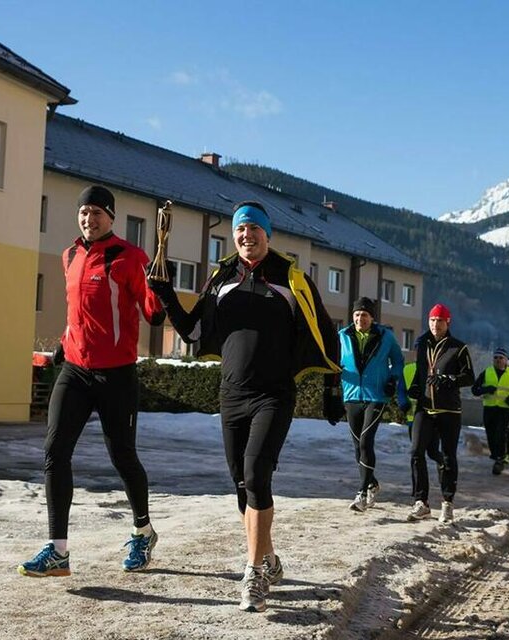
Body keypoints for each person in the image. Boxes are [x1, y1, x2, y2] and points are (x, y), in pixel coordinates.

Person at [147, 200, 340, 613]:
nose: (246, 235)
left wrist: (332, 390)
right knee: (241, 484)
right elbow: (194, 329)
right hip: (232, 395)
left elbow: (325, 335)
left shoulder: (291, 279)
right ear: (233, 236)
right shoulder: (221, 278)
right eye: (240, 230)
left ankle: (253, 573)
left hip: (274, 395)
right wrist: (165, 294)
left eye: (254, 229)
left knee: (256, 473)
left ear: (267, 234)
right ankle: (268, 557)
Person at [18, 185, 167, 578]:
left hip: (117, 374)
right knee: (54, 452)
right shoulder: (69, 255)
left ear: (111, 217)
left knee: (122, 455)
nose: (89, 218)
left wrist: (160, 286)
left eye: (97, 212)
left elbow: (152, 315)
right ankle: (58, 550)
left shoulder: (129, 257)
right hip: (76, 369)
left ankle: (142, 531)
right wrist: (65, 343)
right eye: (84, 212)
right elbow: (76, 310)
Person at [338, 296, 409, 512]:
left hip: (376, 396)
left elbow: (398, 361)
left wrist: (393, 379)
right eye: (357, 315)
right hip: (351, 396)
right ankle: (372, 483)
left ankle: (361, 492)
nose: (361, 318)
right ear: (352, 316)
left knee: (366, 441)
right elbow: (334, 363)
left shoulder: (385, 337)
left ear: (372, 317)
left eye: (365, 315)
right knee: (357, 446)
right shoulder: (342, 336)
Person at [406, 303, 475, 524]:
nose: (435, 325)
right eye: (432, 320)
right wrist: (415, 387)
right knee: (416, 451)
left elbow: (469, 377)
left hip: (449, 410)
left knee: (447, 456)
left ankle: (447, 503)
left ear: (448, 323)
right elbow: (420, 371)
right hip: (424, 408)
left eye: (440, 321)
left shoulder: (458, 348)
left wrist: (448, 379)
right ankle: (421, 502)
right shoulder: (423, 344)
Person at [471, 348, 509, 475]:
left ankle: (500, 459)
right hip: (490, 408)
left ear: (506, 360)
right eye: (496, 358)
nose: (498, 360)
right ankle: (496, 455)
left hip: (505, 409)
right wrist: (486, 389)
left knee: (501, 434)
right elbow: (474, 390)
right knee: (491, 435)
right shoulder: (487, 372)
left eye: (501, 358)